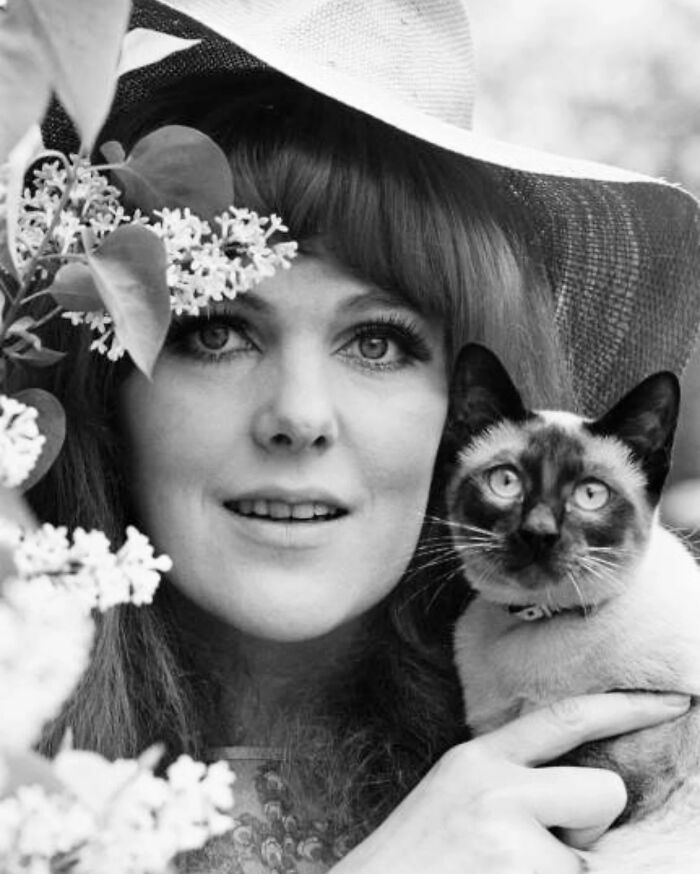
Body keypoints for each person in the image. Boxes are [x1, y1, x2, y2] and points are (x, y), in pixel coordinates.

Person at [31, 1, 700, 872]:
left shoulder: (653, 748)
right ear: (104, 380)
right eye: (216, 330)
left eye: (377, 342)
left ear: (468, 416)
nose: (300, 417)